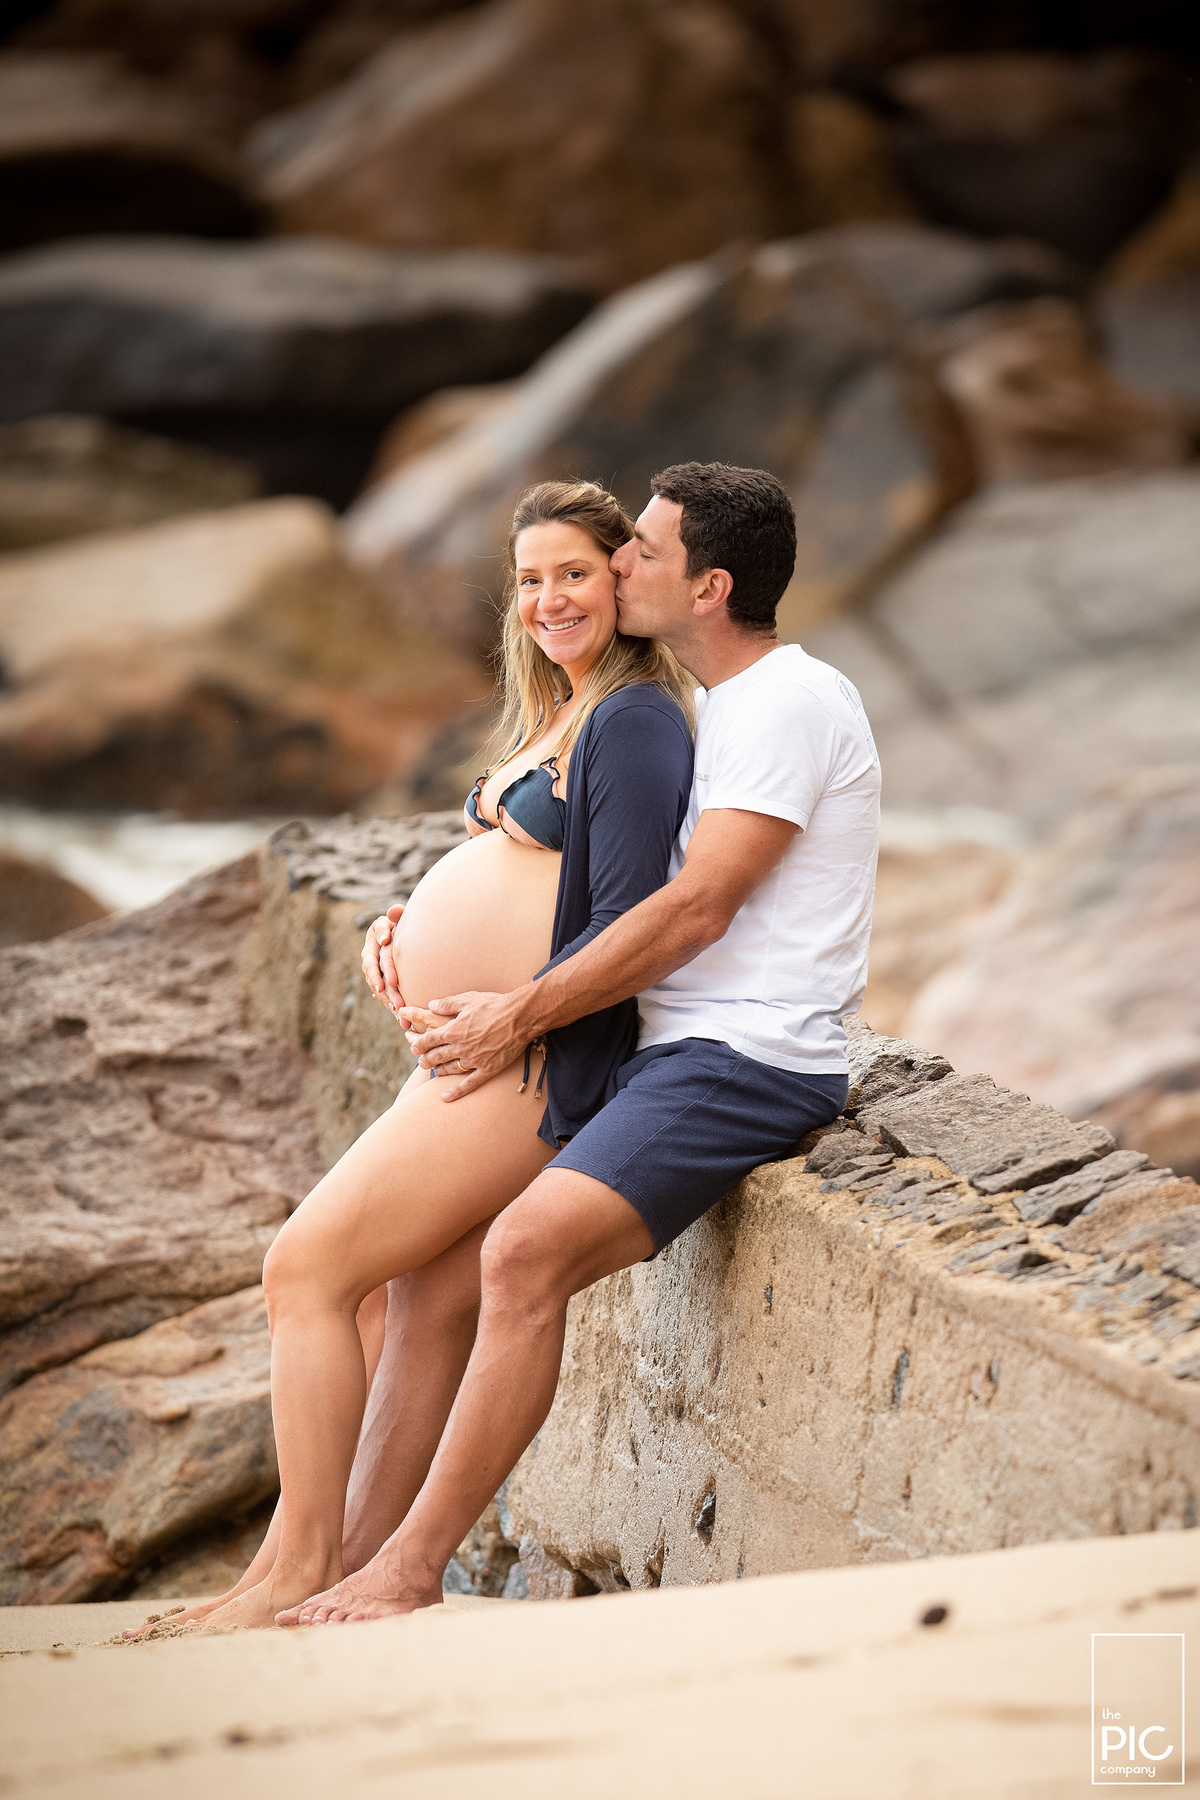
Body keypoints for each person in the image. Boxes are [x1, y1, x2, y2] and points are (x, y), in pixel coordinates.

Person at [280, 460, 881, 1626]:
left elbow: (691, 907)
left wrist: (514, 1010)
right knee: (429, 1278)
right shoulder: (724, 707)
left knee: (519, 1254)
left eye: (636, 555)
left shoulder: (787, 703)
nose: (614, 570)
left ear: (706, 587)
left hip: (743, 1060)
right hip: (668, 1042)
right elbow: (590, 874)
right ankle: (344, 1564)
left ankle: (406, 1573)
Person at [167, 479, 694, 1632]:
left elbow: (635, 917)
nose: (550, 598)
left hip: (525, 1064)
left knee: (305, 1272)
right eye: (530, 578)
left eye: (573, 572)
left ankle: (294, 1568)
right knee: (413, 1298)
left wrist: (511, 1012)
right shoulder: (565, 708)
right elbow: (517, 879)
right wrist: (395, 928)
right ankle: (330, 1574)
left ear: (624, 576)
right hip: (468, 1051)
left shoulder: (639, 718)